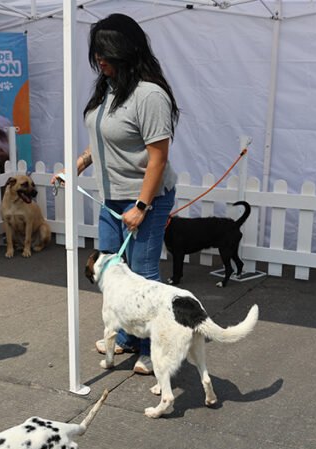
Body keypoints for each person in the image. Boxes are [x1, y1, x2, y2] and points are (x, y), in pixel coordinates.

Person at [69, 13, 180, 376]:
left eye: (106, 53)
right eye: (96, 53)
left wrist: (142, 206)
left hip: (143, 197)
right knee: (112, 271)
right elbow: (104, 135)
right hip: (110, 196)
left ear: (126, 50)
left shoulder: (149, 95)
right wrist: (84, 160)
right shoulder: (109, 87)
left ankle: (154, 347)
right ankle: (130, 337)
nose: (100, 61)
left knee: (144, 273)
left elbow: (158, 158)